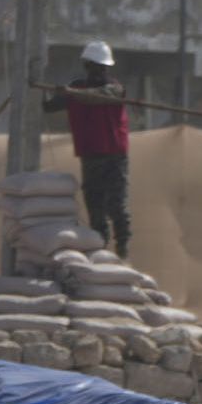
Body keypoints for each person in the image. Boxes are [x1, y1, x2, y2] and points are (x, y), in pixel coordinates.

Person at [43, 40, 132, 258]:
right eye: (95, 66)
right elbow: (49, 107)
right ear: (87, 66)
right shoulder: (76, 87)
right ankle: (100, 251)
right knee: (95, 208)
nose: (99, 71)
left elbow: (94, 98)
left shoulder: (115, 89)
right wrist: (48, 92)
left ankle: (122, 249)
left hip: (114, 157)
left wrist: (69, 93)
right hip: (91, 156)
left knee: (116, 206)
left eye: (102, 67)